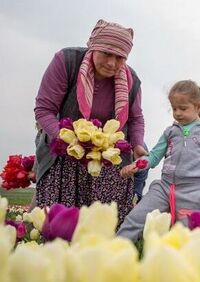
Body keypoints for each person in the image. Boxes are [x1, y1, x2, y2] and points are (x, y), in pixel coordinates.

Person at [33, 19, 147, 222]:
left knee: (104, 223)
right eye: (106, 54)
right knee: (60, 223)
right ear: (93, 47)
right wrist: (68, 138)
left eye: (120, 57)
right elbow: (44, 110)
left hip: (108, 157)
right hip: (65, 154)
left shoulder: (132, 81)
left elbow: (136, 118)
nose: (112, 63)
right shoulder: (67, 61)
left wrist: (138, 144)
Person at [117, 80, 200, 241]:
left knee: (185, 236)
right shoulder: (170, 132)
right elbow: (154, 156)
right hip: (163, 187)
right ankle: (115, 251)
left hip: (192, 192)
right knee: (135, 218)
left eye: (183, 108)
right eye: (174, 108)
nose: (177, 113)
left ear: (198, 107)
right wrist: (137, 165)